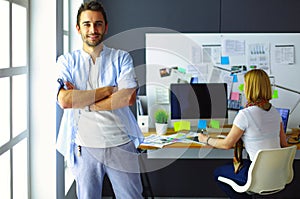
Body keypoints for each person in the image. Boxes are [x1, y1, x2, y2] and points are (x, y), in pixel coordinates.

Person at [55, 1, 144, 198]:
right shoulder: (66, 62)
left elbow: (128, 97)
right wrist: (109, 90)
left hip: (121, 144)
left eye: (98, 24)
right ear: (78, 28)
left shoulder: (121, 58)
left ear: (106, 27)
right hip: (84, 147)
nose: (93, 29)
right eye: (87, 24)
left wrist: (84, 100)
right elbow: (65, 101)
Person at [198, 69, 288, 199]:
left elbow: (227, 144)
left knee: (218, 172)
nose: (243, 88)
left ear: (250, 87)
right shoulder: (275, 112)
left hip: (256, 174)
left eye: (245, 84)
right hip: (276, 173)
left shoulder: (245, 114)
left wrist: (205, 139)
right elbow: (284, 144)